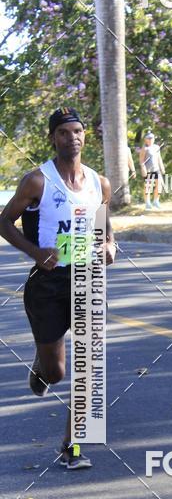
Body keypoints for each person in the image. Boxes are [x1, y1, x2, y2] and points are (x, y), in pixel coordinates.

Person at [0, 107, 115, 469]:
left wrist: (110, 246)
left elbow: (105, 229)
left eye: (77, 131)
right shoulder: (38, 181)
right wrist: (35, 253)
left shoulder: (100, 183)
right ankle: (41, 368)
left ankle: (72, 446)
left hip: (87, 280)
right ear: (53, 137)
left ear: (85, 136)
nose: (72, 137)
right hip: (47, 284)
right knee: (57, 372)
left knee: (89, 364)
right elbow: (4, 222)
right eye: (64, 132)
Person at [139, 131, 165, 210]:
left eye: (152, 138)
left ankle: (156, 201)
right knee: (148, 186)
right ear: (145, 140)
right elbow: (141, 160)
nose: (150, 140)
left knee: (159, 184)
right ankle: (147, 203)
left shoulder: (156, 147)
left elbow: (159, 158)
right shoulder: (144, 148)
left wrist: (162, 167)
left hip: (156, 169)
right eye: (149, 138)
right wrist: (143, 169)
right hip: (148, 170)